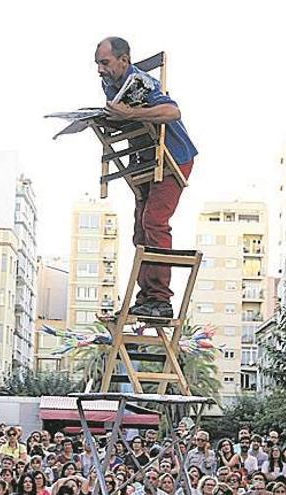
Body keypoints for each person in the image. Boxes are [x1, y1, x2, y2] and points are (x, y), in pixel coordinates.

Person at [95, 36, 198, 318]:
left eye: (105, 63)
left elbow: (172, 111)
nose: (100, 70)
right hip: (145, 160)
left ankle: (161, 300)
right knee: (140, 231)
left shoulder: (141, 83)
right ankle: (147, 297)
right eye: (97, 64)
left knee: (154, 222)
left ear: (124, 60)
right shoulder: (109, 84)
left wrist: (130, 111)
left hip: (172, 158)